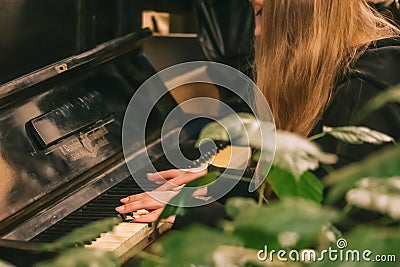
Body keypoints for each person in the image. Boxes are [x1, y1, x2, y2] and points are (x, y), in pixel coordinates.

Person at [115, 0, 400, 227]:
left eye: (261, 13)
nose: (256, 31)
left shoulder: (363, 92)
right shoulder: (352, 73)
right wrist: (218, 185)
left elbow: (332, 235)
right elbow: (303, 194)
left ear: (299, 12)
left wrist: (198, 214)